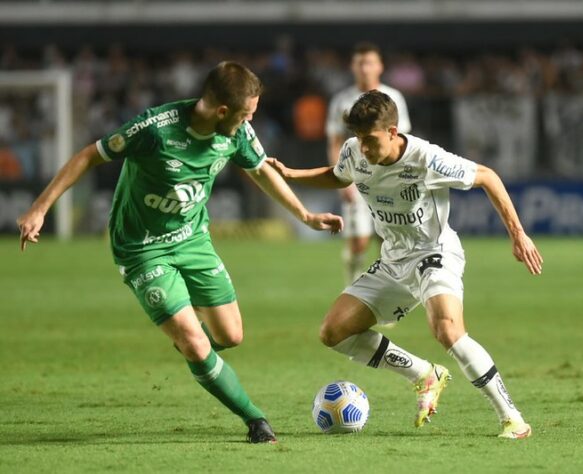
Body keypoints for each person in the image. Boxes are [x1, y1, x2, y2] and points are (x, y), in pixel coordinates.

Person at [17, 61, 343, 444]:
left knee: (231, 335)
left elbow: (260, 170)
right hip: (141, 249)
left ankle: (195, 348)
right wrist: (39, 208)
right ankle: (255, 420)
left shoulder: (237, 132)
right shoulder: (155, 130)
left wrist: (304, 215)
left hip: (193, 240)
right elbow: (90, 155)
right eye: (245, 114)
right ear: (222, 111)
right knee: (194, 340)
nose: (249, 121)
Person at [268, 90, 542, 438]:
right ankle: (424, 374)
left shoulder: (426, 158)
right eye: (359, 139)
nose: (363, 148)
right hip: (392, 260)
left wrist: (518, 235)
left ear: (393, 132)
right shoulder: (355, 151)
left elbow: (487, 176)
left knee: (447, 330)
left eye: (371, 140)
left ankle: (512, 419)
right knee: (333, 332)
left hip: (434, 253)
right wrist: (291, 174)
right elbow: (340, 175)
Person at [326, 42, 411, 284]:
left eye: (369, 62)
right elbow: (334, 141)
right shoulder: (342, 100)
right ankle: (353, 283)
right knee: (359, 240)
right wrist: (341, 179)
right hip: (358, 177)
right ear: (353, 67)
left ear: (380, 66)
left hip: (388, 179)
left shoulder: (394, 97)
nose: (365, 68)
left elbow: (402, 141)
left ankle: (385, 291)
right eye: (360, 63)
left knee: (387, 239)